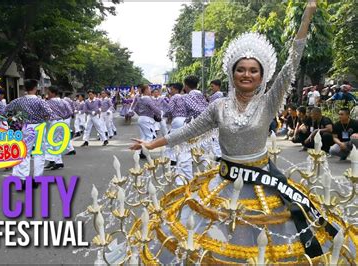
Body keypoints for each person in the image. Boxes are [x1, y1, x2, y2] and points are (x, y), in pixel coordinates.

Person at [127, 2, 337, 262]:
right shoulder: (219, 107)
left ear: (261, 77)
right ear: (232, 73)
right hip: (226, 184)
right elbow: (188, 131)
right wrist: (152, 143)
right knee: (230, 239)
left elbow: (293, 62)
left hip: (264, 183)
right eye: (241, 69)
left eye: (253, 71)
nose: (246, 75)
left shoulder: (269, 101)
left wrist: (307, 16)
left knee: (263, 244)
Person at [4, 79, 53, 185]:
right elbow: (49, 113)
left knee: (25, 152)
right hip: (39, 126)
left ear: (25, 88)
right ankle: (37, 178)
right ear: (35, 88)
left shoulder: (20, 100)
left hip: (26, 127)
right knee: (39, 152)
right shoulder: (40, 101)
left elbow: (7, 108)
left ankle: (22, 177)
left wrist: (15, 117)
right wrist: (42, 117)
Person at [44, 86, 72, 170]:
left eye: (48, 93)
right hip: (62, 122)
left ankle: (54, 160)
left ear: (53, 93)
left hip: (53, 123)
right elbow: (70, 112)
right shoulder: (64, 102)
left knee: (49, 141)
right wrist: (63, 116)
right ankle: (56, 161)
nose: (47, 95)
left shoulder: (48, 103)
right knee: (55, 141)